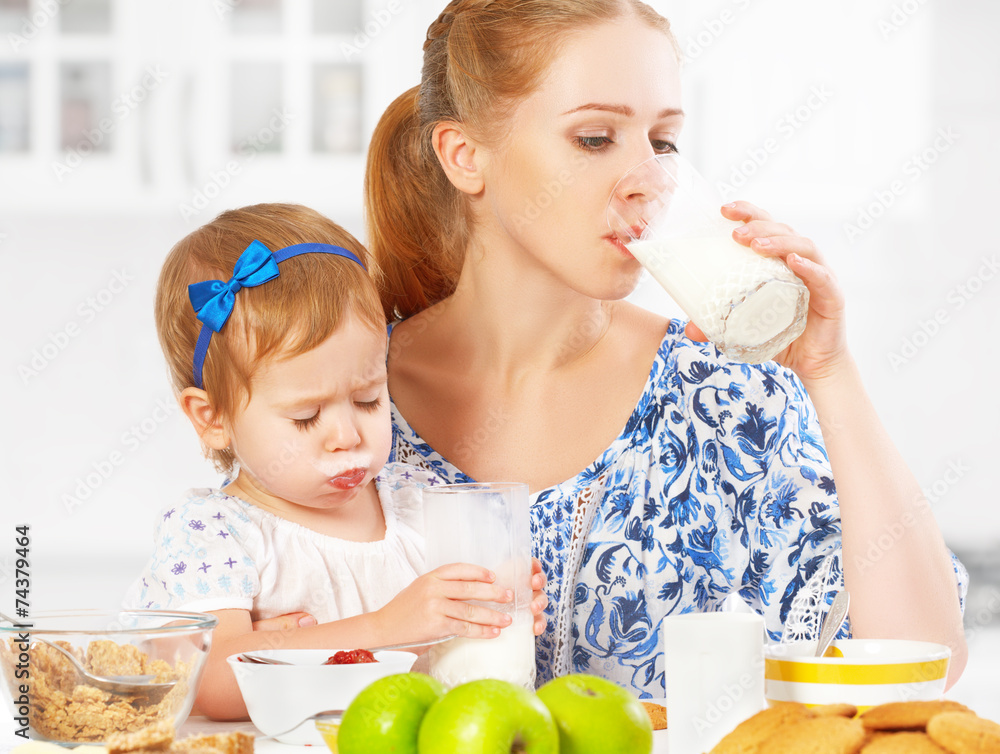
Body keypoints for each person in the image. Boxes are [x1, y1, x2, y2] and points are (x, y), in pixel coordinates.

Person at [364, 0, 969, 698]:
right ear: (466, 156)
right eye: (595, 138)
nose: (649, 178)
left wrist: (828, 372)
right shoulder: (339, 399)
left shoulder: (724, 400)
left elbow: (922, 666)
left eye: (663, 141)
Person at [123, 203, 545, 719]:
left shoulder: (416, 500)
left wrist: (491, 604)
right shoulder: (212, 535)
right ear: (213, 417)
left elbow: (449, 654)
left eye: (369, 399)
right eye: (305, 417)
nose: (348, 436)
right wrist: (386, 628)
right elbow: (207, 680)